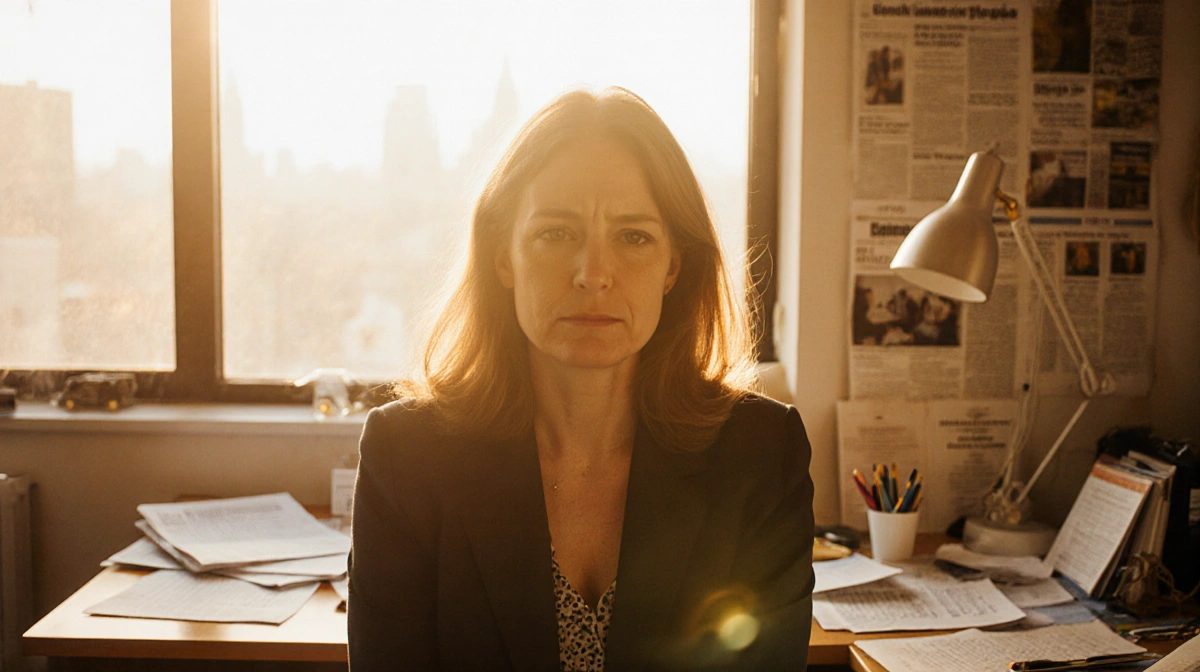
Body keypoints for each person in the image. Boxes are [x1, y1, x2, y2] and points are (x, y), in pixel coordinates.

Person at [348, 87, 815, 671]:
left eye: (633, 237)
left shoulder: (762, 454)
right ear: (504, 256)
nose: (593, 274)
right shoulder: (405, 455)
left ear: (673, 266)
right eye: (556, 233)